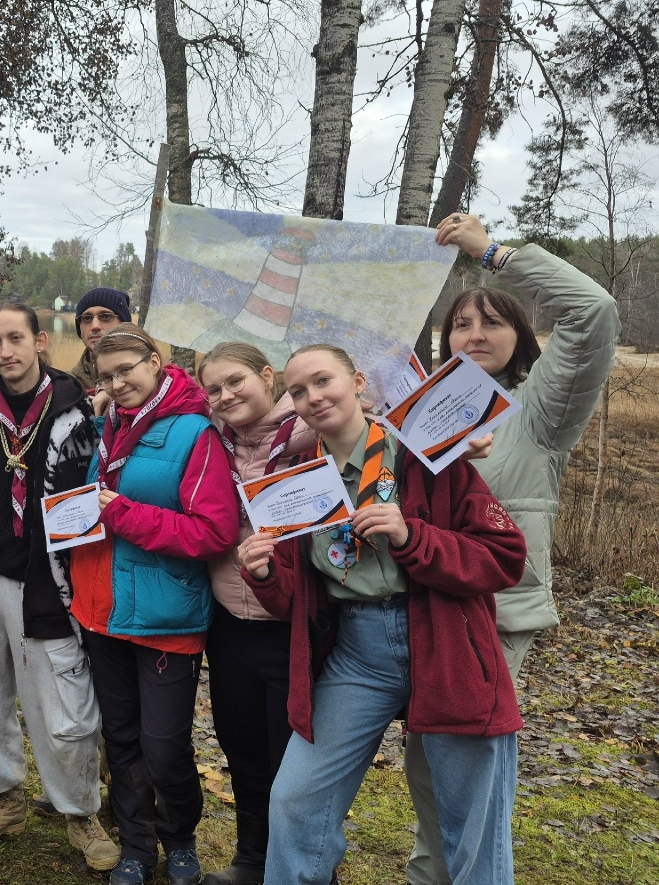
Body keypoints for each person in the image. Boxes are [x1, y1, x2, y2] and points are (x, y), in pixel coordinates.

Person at [239, 344, 527, 885]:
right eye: (297, 391)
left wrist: (412, 536)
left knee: (472, 822)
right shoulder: (296, 481)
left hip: (445, 643)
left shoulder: (426, 457)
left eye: (323, 380)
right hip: (357, 654)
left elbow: (504, 556)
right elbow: (296, 600)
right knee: (296, 799)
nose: (312, 397)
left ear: (357, 382)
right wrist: (264, 573)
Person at [404, 213, 621, 885]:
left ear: (520, 337)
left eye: (492, 323)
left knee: (467, 768)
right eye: (461, 325)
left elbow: (593, 311)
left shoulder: (540, 410)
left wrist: (492, 252)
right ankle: (430, 874)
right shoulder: (423, 415)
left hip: (491, 615)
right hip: (420, 611)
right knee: (427, 764)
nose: (474, 335)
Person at [0, 301, 120, 870]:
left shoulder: (74, 407)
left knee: (62, 706)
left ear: (40, 342)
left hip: (47, 582)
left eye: (16, 339)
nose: (6, 351)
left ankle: (80, 811)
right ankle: (5, 800)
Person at [70, 324, 239, 885]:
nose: (118, 383)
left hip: (166, 616)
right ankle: (137, 845)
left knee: (163, 745)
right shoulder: (111, 426)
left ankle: (180, 836)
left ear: (155, 361)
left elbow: (214, 532)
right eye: (107, 375)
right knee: (120, 739)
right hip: (103, 609)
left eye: (127, 370)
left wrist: (121, 514)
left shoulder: (195, 431)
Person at [197, 344, 314, 885]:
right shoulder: (212, 441)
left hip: (291, 625)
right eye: (214, 389)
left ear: (268, 376)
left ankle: (307, 868)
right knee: (240, 745)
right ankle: (251, 857)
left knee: (291, 760)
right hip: (229, 622)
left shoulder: (310, 433)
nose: (225, 396)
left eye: (236, 381)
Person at [66, 287, 132, 393]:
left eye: (105, 317)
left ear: (124, 325)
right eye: (87, 318)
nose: (95, 326)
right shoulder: (69, 385)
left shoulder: (149, 373)